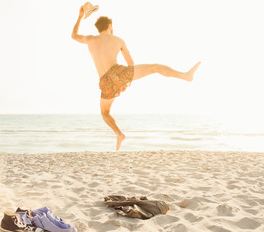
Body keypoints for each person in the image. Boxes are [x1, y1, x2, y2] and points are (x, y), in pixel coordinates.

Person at [72, 6, 201, 151]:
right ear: (109, 26)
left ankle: (119, 134)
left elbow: (74, 35)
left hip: (105, 82)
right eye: (112, 26)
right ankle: (185, 75)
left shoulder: (90, 40)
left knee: (105, 113)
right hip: (118, 73)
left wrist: (79, 16)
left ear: (98, 28)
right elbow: (131, 64)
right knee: (154, 67)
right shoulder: (118, 40)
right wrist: (125, 80)